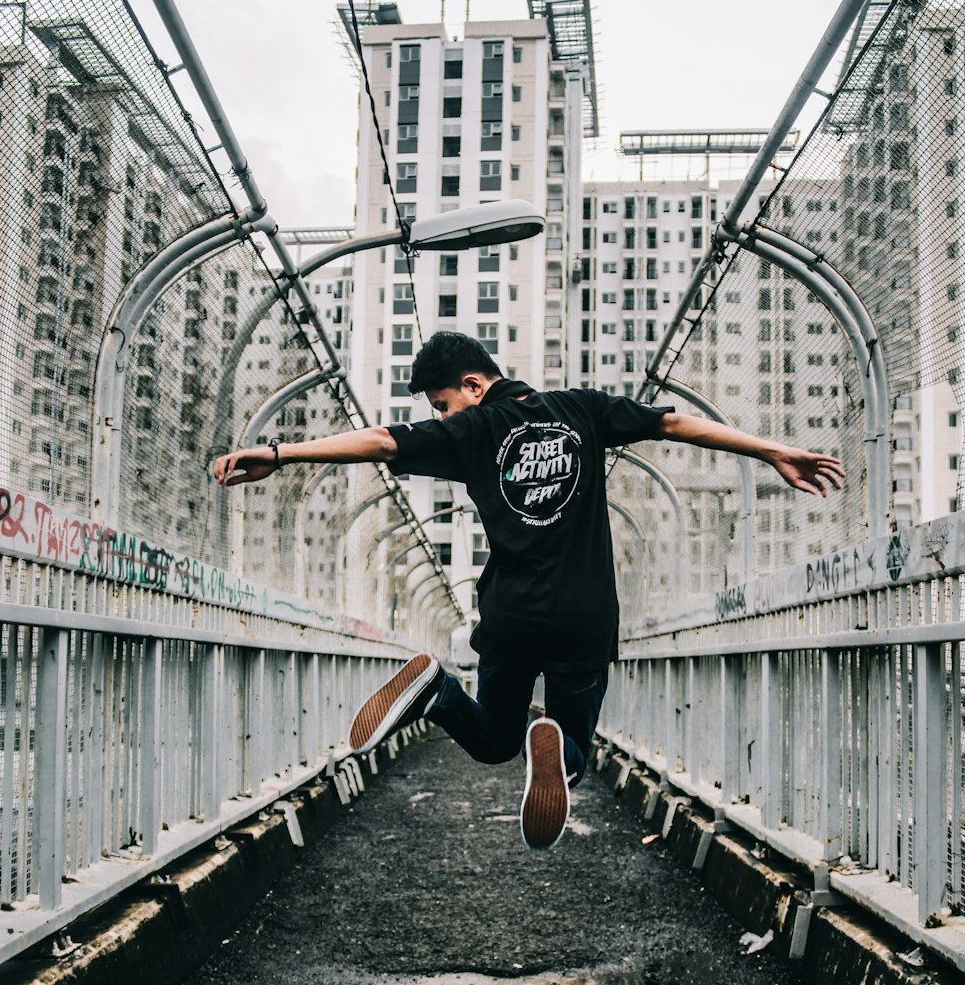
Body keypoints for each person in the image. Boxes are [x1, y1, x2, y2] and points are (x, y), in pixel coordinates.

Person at [213, 331, 844, 850]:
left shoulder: (473, 432)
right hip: (583, 617)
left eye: (442, 404)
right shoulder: (584, 408)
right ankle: (557, 749)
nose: (442, 416)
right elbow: (675, 425)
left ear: (474, 385)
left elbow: (380, 441)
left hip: (511, 616)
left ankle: (435, 688)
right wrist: (772, 450)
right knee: (571, 757)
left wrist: (282, 452)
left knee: (491, 740)